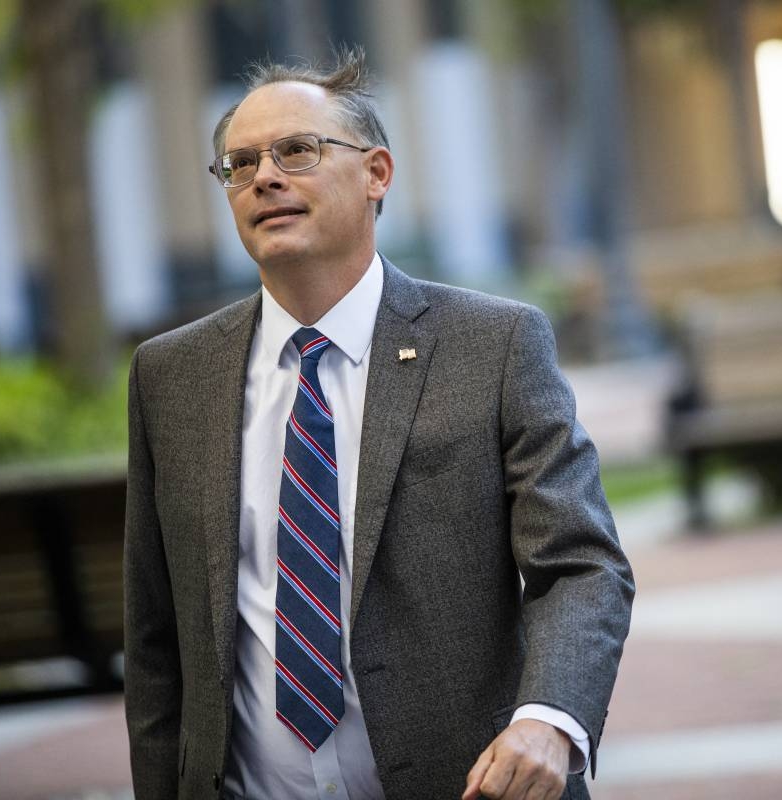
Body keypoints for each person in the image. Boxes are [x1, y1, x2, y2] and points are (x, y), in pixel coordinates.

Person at [123, 46, 634, 800]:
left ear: (377, 173)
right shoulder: (171, 376)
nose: (264, 177)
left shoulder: (492, 345)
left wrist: (550, 717)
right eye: (239, 164)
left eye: (296, 151)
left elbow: (582, 564)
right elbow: (155, 635)